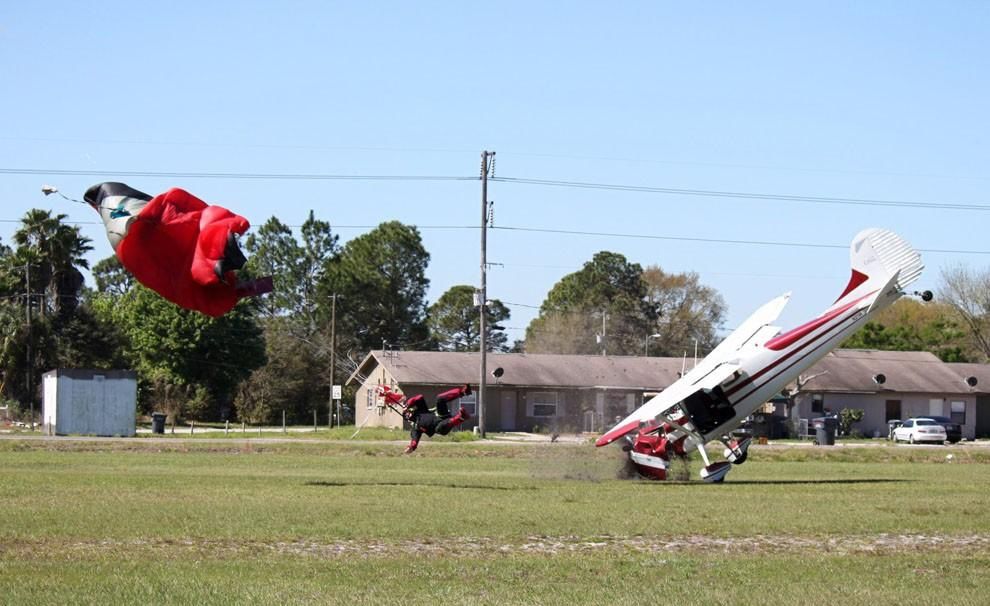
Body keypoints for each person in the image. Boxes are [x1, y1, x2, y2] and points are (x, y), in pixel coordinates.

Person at [380, 384, 472, 453]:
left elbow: (419, 397)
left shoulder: (421, 410)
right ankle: (461, 417)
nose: (408, 415)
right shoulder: (416, 428)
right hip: (441, 427)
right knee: (440, 427)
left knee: (439, 399)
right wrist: (411, 448)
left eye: (408, 413)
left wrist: (407, 405)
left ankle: (462, 392)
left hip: (441, 415)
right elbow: (414, 441)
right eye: (406, 416)